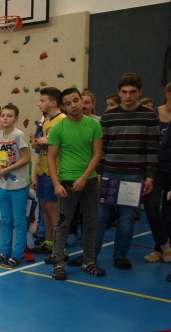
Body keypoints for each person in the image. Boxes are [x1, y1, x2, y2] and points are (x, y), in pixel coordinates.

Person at [70, 73, 160, 270]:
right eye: (124, 92)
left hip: (134, 175)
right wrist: (99, 173)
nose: (128, 96)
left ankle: (120, 255)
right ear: (119, 92)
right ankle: (90, 255)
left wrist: (150, 176)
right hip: (109, 173)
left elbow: (152, 148)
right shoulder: (109, 116)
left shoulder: (150, 115)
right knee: (99, 217)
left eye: (132, 92)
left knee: (126, 219)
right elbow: (101, 149)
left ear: (140, 92)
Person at [46, 88, 104, 280]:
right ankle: (58, 263)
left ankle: (89, 261)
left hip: (89, 183)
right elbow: (51, 158)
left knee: (91, 222)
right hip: (67, 184)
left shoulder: (94, 124)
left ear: (82, 100)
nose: (74, 105)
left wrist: (85, 177)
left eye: (76, 100)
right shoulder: (58, 128)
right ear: (63, 107)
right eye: (68, 103)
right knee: (62, 223)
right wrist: (56, 184)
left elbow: (97, 153)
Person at [0, 104, 31, 268]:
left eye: (9, 116)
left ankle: (18, 254)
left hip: (19, 185)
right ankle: (5, 251)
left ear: (16, 119)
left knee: (19, 221)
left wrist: (6, 170)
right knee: (5, 220)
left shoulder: (18, 135)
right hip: (4, 186)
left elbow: (26, 158)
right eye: (3, 116)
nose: (5, 118)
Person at [30, 87, 65, 255]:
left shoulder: (62, 120)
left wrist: (47, 141)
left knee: (53, 208)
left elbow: (65, 143)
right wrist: (39, 142)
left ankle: (60, 247)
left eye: (42, 101)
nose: (39, 104)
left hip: (55, 171)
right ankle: (50, 242)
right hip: (43, 169)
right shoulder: (47, 122)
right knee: (45, 206)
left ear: (53, 103)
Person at [143, 82, 171, 263]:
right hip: (155, 168)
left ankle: (159, 249)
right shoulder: (153, 113)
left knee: (168, 212)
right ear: (168, 94)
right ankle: (164, 243)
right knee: (151, 206)